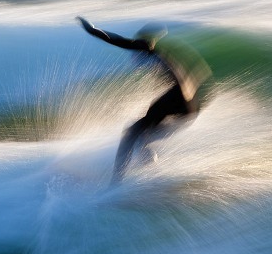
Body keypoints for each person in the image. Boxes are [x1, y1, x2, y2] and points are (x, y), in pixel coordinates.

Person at [77, 16, 211, 183]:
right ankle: (150, 172)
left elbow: (114, 39)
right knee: (142, 135)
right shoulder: (161, 55)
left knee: (131, 132)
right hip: (190, 107)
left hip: (176, 97)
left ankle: (115, 182)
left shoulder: (143, 46)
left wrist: (92, 29)